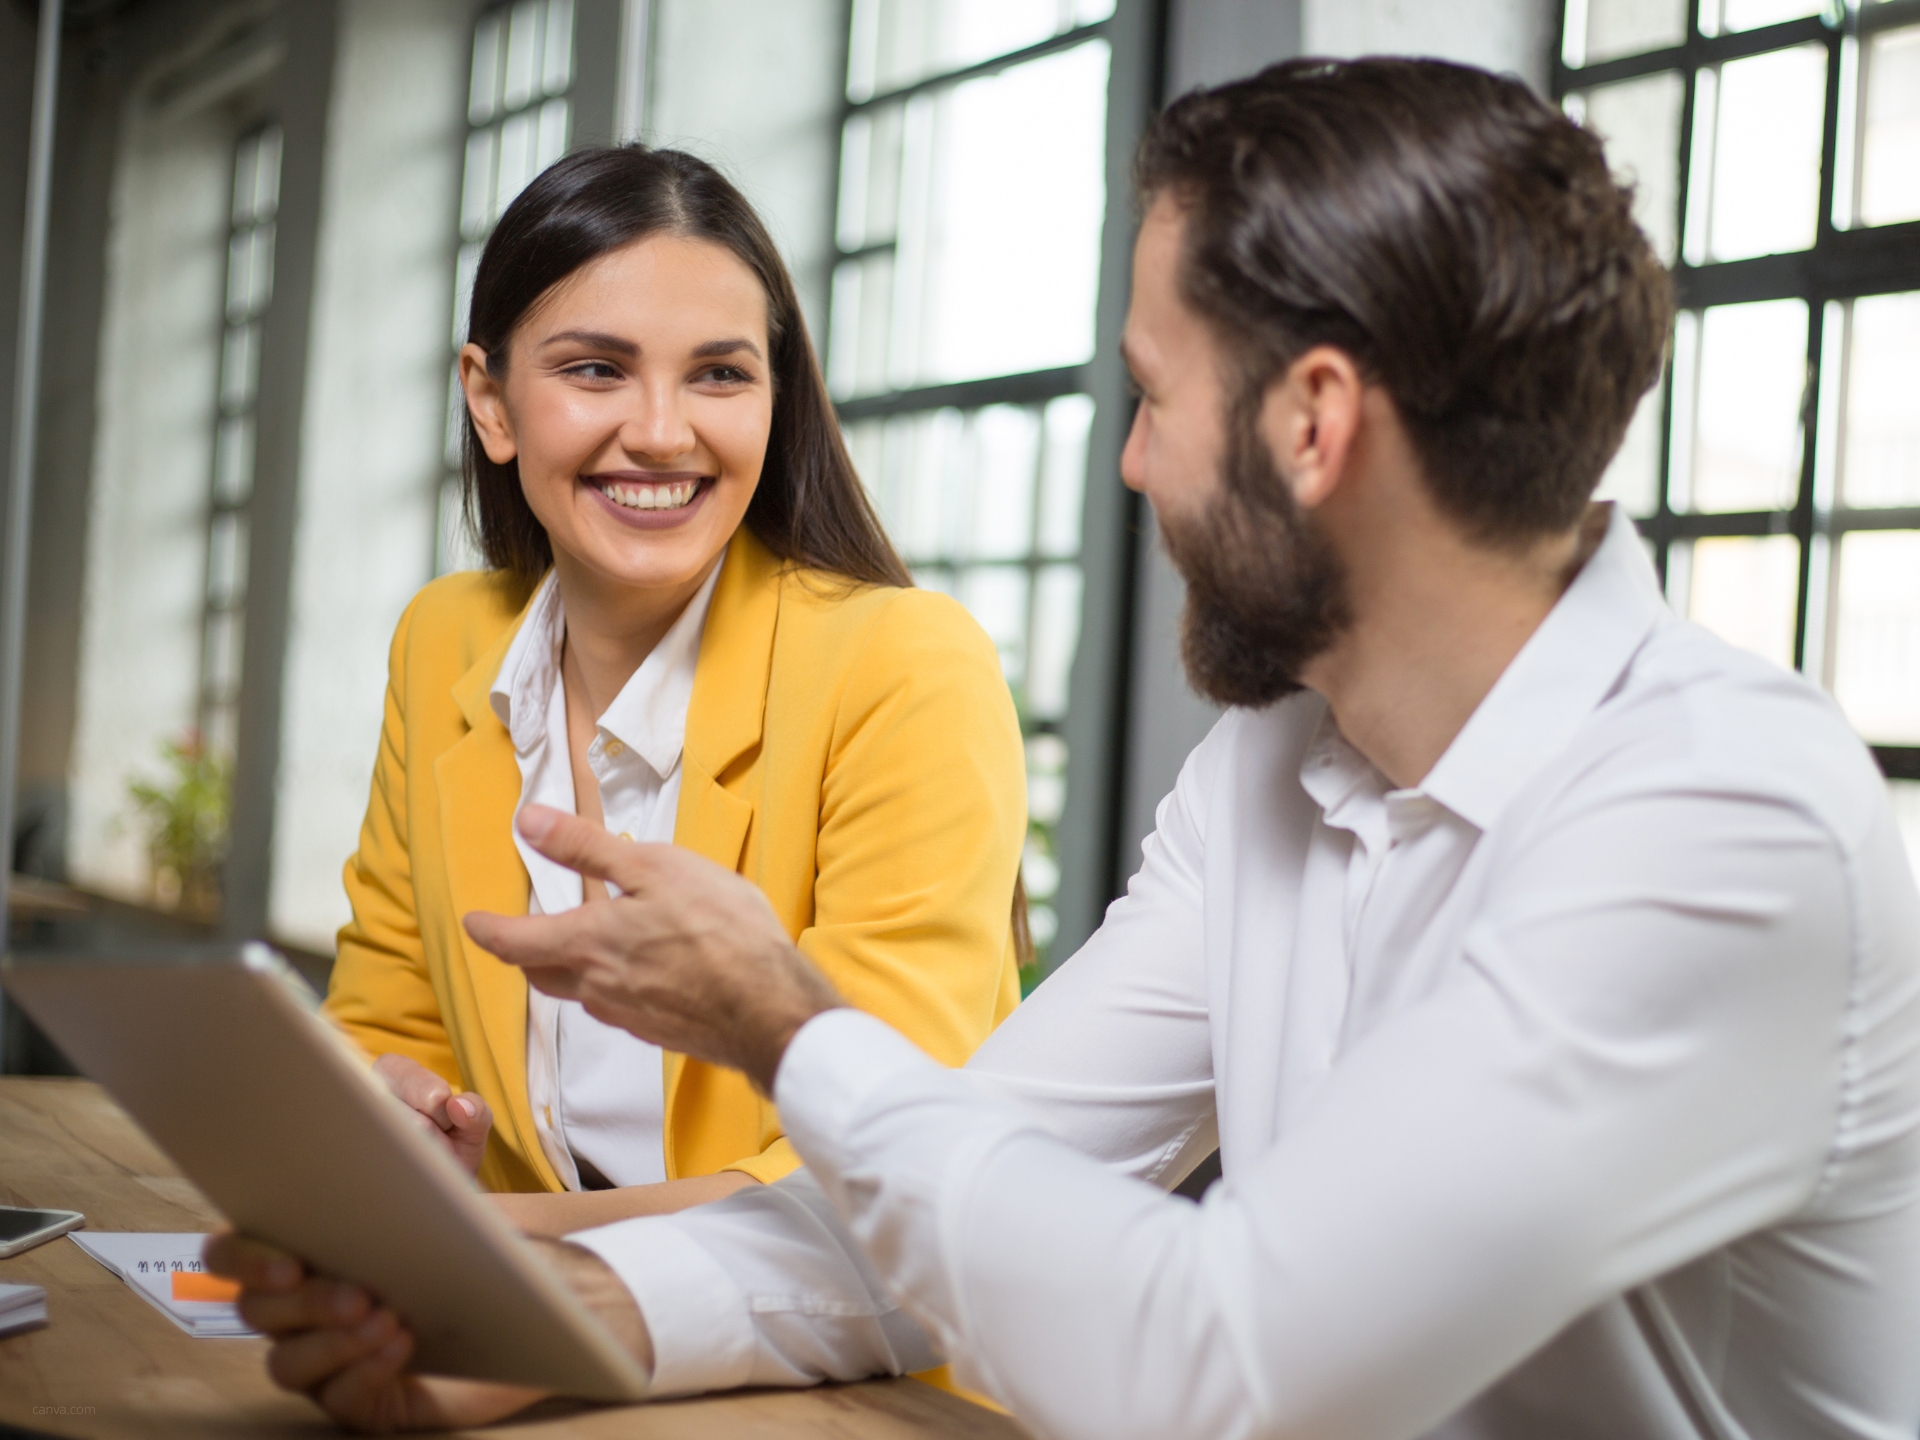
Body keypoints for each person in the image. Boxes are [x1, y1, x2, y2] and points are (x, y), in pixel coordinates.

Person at [212, 58, 1920, 1439]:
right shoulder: (1265, 777)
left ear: (1311, 425)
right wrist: (561, 1331)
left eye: (1152, 398)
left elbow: (1226, 1363)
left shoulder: (1723, 814)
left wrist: (784, 1023)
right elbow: (940, 1210)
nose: (1132, 468)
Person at [316, 144, 1028, 1238]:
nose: (660, 430)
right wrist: (402, 1110)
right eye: (595, 369)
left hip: (852, 1380)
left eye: (720, 373)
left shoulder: (907, 668)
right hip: (535, 1338)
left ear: (774, 401)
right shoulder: (443, 643)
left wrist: (488, 1240)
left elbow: (880, 1161)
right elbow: (385, 1012)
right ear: (491, 403)